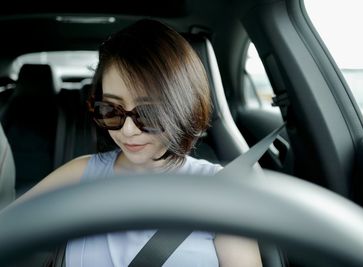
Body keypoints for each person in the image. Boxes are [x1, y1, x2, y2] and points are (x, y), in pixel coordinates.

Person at [15, 19, 262, 266]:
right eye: (111, 110)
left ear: (183, 107)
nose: (128, 130)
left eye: (149, 113)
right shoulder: (80, 175)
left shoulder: (223, 192)